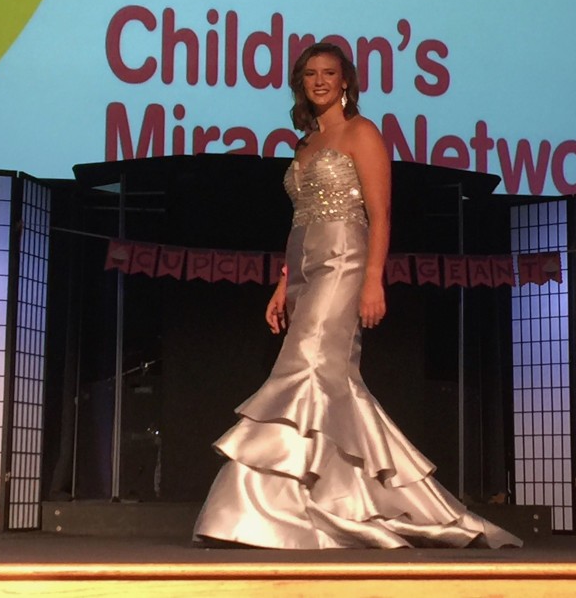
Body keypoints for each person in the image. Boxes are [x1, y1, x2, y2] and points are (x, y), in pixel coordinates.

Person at [192, 43, 522, 549]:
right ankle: (339, 503)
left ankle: (266, 509)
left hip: (344, 263)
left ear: (345, 80)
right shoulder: (306, 143)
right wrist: (282, 282)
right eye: (310, 74)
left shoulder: (362, 132)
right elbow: (300, 217)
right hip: (303, 268)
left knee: (305, 369)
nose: (320, 81)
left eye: (329, 73)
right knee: (331, 383)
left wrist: (372, 278)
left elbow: (380, 214)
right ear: (301, 83)